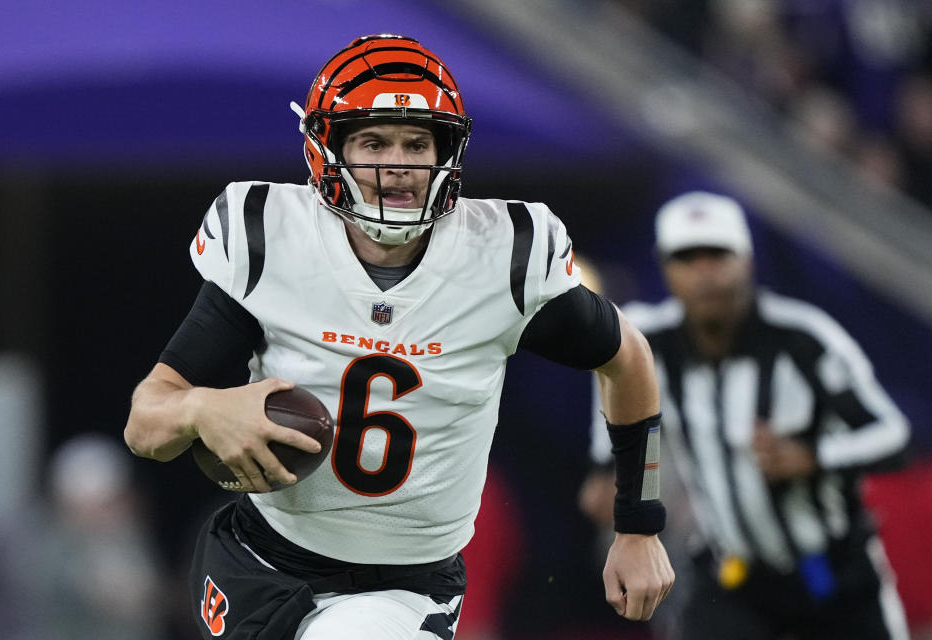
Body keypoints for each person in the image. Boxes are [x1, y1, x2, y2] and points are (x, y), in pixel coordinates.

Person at [123, 34, 674, 640]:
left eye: (417, 143)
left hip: (400, 586)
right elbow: (145, 426)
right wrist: (204, 407)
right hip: (260, 563)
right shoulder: (270, 242)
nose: (399, 165)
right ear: (326, 150)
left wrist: (638, 525)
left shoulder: (503, 258)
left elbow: (629, 358)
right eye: (373, 142)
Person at [580, 191, 912, 640]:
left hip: (832, 571)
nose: (704, 273)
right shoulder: (648, 341)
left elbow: (893, 435)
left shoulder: (802, 337)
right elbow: (611, 385)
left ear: (747, 260)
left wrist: (813, 455)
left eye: (717, 255)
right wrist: (608, 468)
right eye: (686, 257)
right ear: (665, 268)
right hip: (734, 577)